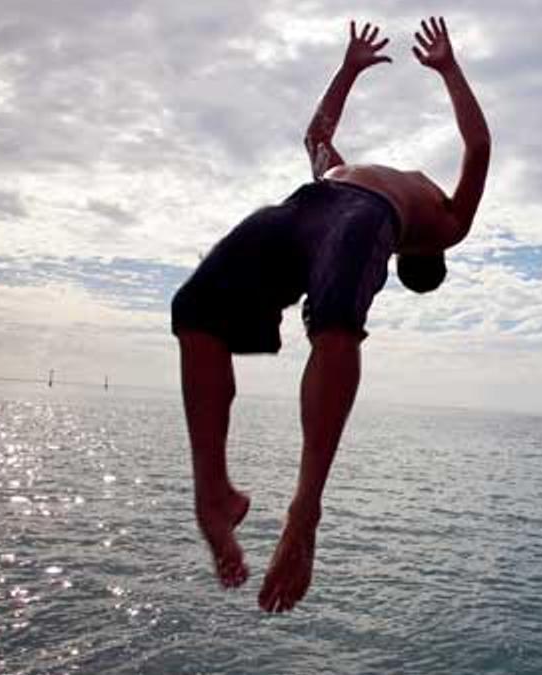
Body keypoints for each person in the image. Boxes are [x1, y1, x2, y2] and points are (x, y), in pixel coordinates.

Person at [170, 16, 490, 613]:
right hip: (310, 208)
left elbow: (478, 147)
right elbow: (317, 135)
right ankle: (212, 490)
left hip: (342, 213)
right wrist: (350, 66)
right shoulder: (386, 193)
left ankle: (304, 510)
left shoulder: (446, 224)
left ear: (426, 250)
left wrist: (449, 69)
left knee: (337, 323)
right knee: (195, 310)